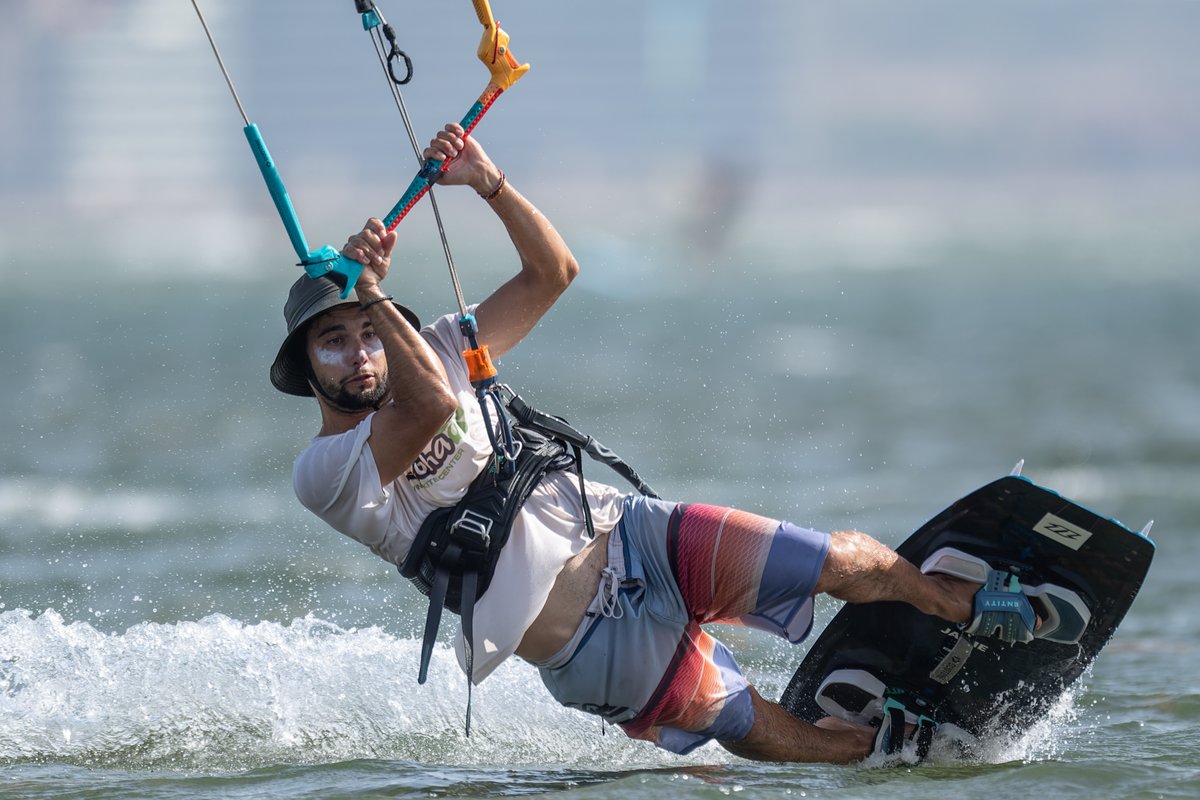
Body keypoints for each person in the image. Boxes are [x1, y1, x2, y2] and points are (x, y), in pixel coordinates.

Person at [270, 122, 999, 764]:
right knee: (750, 722)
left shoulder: (434, 348)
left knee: (832, 559)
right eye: (335, 342)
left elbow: (553, 274)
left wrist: (489, 182)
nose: (360, 354)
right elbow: (430, 407)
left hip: (633, 536)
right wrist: (370, 294)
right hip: (588, 646)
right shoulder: (326, 471)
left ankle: (952, 603)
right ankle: (873, 749)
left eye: (368, 334)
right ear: (308, 370)